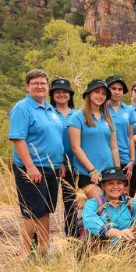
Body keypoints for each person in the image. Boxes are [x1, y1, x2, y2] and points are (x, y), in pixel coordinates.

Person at [9, 69, 64, 255]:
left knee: (45, 209)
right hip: (32, 167)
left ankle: (43, 250)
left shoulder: (50, 108)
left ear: (47, 87)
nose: (40, 86)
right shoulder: (22, 108)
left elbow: (55, 137)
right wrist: (30, 166)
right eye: (35, 83)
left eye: (43, 83)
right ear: (27, 86)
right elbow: (18, 139)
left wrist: (62, 162)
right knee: (32, 211)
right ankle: (25, 254)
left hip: (53, 167)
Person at [68, 79, 120, 198]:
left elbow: (114, 147)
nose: (100, 96)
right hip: (87, 172)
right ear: (89, 93)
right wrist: (92, 170)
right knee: (99, 203)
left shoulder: (108, 118)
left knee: (111, 207)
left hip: (108, 172)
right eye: (97, 91)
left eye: (103, 93)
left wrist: (117, 171)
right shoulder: (77, 117)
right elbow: (75, 148)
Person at [49, 77, 78, 237]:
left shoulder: (78, 114)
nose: (61, 95)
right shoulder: (48, 113)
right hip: (52, 163)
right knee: (46, 203)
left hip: (74, 164)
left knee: (71, 202)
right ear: (52, 95)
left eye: (65, 92)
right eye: (57, 92)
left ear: (70, 95)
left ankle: (72, 237)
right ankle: (39, 243)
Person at [82, 166, 136, 242]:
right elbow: (90, 222)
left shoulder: (132, 203)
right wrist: (114, 232)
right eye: (110, 183)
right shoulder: (93, 204)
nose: (115, 187)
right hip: (102, 249)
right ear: (103, 186)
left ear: (124, 185)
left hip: (126, 246)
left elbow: (134, 225)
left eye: (119, 183)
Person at [106, 76, 136, 182]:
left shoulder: (129, 110)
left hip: (124, 157)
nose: (116, 92)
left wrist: (132, 160)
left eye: (120, 89)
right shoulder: (101, 109)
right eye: (113, 88)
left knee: (124, 195)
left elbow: (131, 137)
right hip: (106, 158)